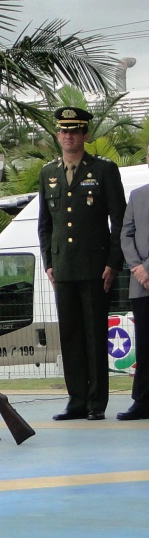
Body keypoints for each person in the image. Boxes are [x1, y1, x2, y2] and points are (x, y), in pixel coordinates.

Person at [38, 106, 126, 421]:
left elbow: (120, 220)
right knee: (71, 337)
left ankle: (95, 403)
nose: (68, 137)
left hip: (94, 267)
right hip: (63, 268)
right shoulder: (48, 172)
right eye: (63, 131)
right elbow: (45, 224)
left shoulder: (104, 170)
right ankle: (75, 400)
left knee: (93, 335)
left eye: (74, 131)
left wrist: (113, 262)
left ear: (85, 135)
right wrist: (49, 262)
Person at [118, 168, 149, 419]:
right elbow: (125, 235)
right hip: (141, 285)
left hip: (144, 275)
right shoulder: (137, 196)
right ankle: (143, 400)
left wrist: (146, 269)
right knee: (145, 345)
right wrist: (137, 268)